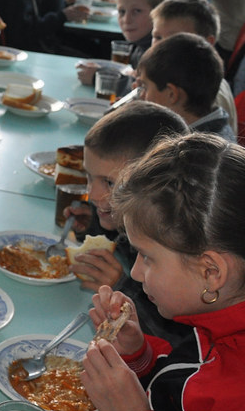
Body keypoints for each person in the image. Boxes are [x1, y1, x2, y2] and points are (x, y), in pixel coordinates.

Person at [81, 132, 245, 411]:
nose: (135, 273)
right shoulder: (227, 310)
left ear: (210, 272)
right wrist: (139, 356)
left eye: (147, 257)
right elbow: (189, 386)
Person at [64, 101, 193, 350]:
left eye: (110, 183)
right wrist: (93, 227)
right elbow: (123, 242)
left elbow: (178, 340)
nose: (92, 194)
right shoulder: (142, 219)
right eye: (89, 177)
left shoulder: (177, 244)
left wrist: (123, 289)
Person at [150, 0, 237, 133]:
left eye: (176, 39)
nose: (162, 48)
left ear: (207, 43)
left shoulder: (207, 96)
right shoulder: (182, 81)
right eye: (157, 37)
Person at [135, 33, 235, 141]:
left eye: (145, 87)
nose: (141, 95)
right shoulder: (214, 125)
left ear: (171, 94)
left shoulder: (191, 153)